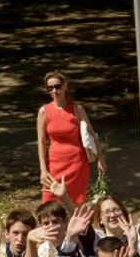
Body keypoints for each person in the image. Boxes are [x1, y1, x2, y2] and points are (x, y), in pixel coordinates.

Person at [37, 73, 106, 206]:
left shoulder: (77, 109)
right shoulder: (44, 111)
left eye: (57, 87)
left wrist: (101, 158)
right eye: (49, 88)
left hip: (77, 163)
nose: (54, 91)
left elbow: (91, 134)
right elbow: (41, 142)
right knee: (49, 204)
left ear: (65, 86)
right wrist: (43, 170)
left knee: (76, 204)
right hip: (54, 163)